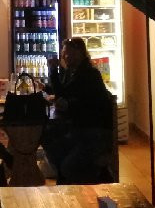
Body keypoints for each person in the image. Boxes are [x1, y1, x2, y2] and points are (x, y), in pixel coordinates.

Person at [42, 37, 115, 184]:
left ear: (80, 53)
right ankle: (66, 185)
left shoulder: (88, 74)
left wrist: (53, 70)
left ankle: (93, 181)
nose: (65, 57)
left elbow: (63, 93)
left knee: (67, 165)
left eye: (68, 53)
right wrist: (47, 87)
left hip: (93, 132)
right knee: (52, 144)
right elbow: (63, 90)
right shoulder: (73, 71)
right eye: (64, 54)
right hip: (79, 128)